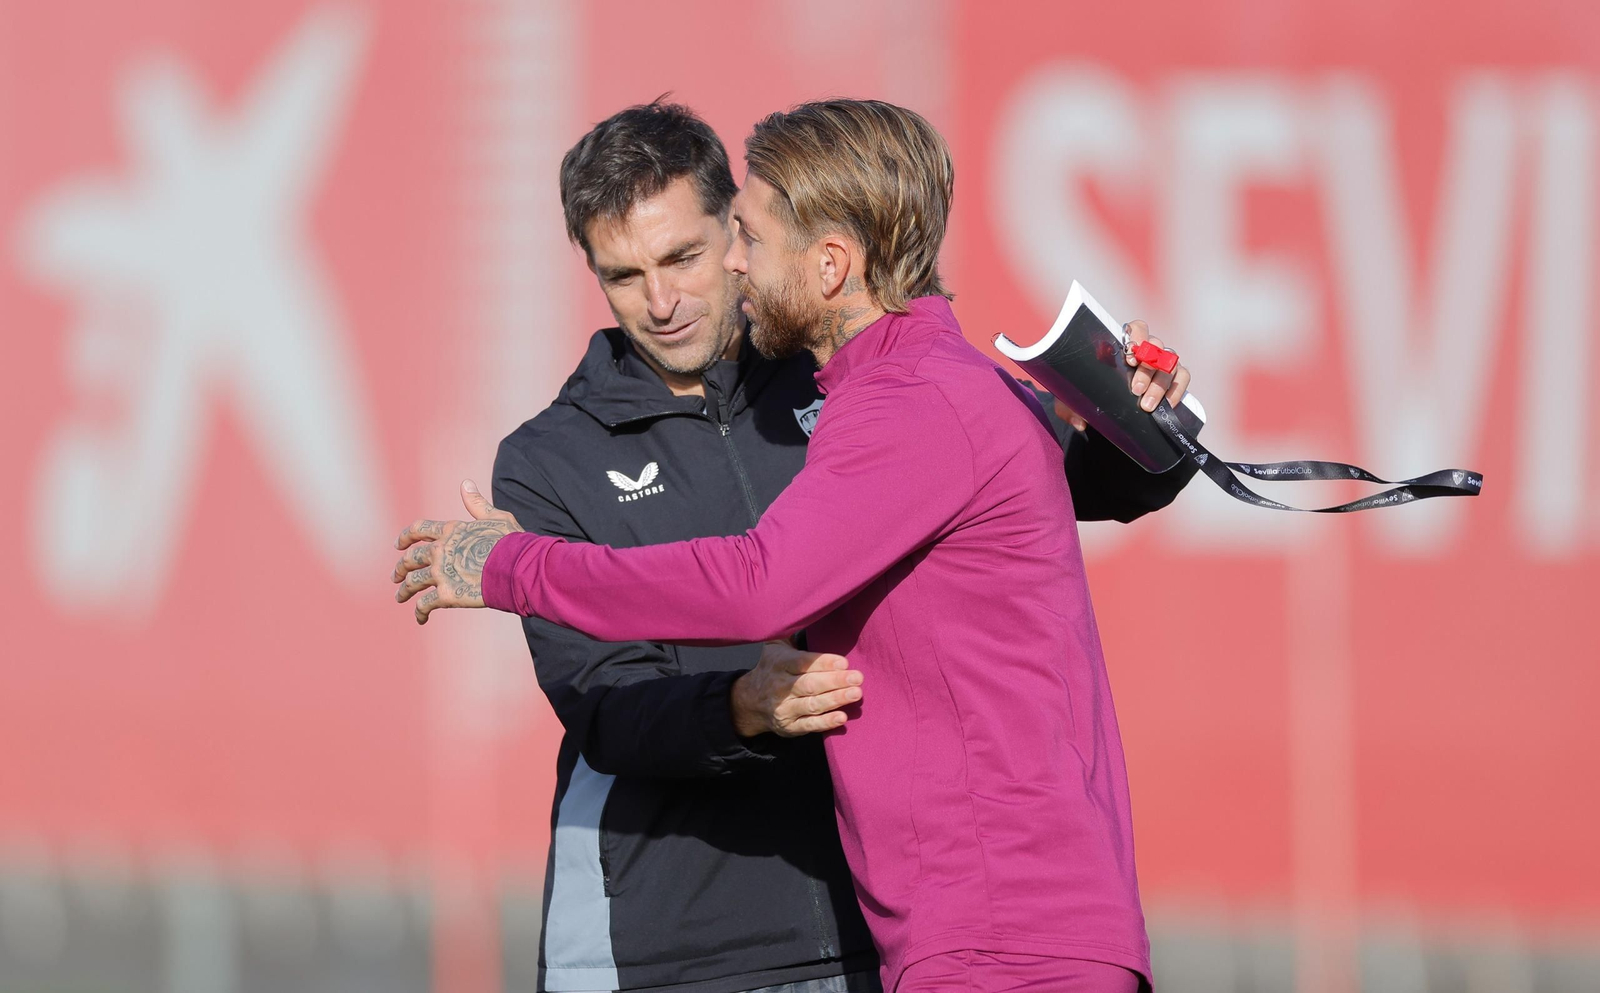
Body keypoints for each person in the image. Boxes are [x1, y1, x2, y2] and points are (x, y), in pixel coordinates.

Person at [397, 100, 1195, 993]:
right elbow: (606, 706)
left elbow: (763, 583)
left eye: (704, 249)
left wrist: (1143, 426)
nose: (663, 299)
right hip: (694, 945)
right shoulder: (554, 458)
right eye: (623, 275)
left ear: (820, 258)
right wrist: (738, 705)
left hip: (960, 935)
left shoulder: (875, 393)